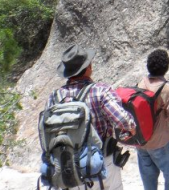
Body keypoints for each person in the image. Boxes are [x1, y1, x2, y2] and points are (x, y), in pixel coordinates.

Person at [48, 45, 136, 190]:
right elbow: (123, 120)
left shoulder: (55, 96)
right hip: (99, 163)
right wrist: (132, 128)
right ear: (88, 67)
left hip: (67, 167)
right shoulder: (100, 91)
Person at [136, 49, 169, 190]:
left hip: (141, 143)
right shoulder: (168, 88)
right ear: (166, 67)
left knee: (149, 185)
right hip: (161, 143)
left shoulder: (140, 84)